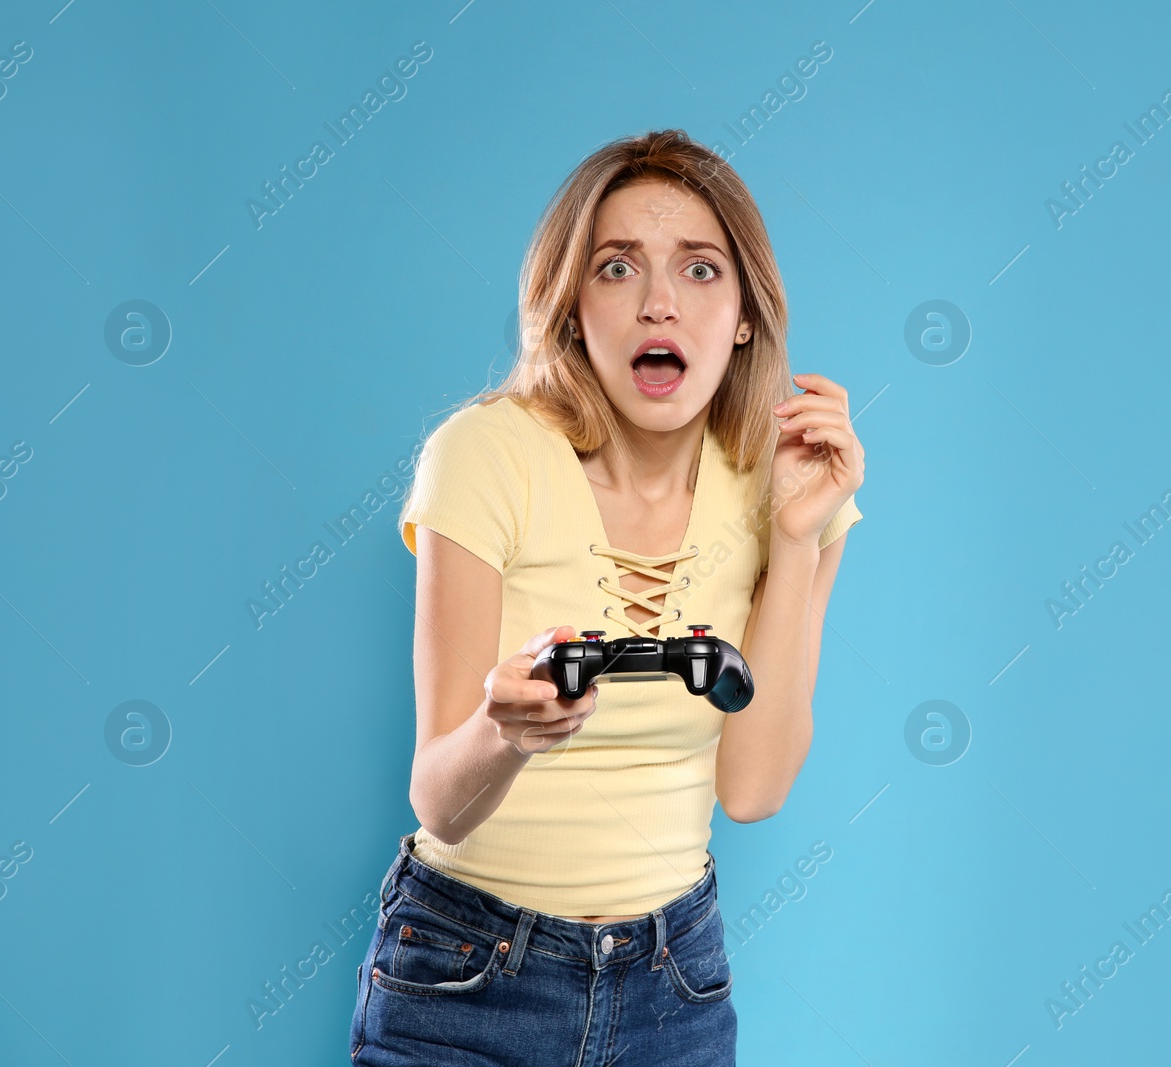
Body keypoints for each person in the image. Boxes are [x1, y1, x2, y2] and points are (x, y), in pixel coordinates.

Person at [349, 128, 865, 1066]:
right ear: (573, 305)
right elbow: (440, 802)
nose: (660, 301)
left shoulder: (788, 488)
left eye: (701, 270)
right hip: (465, 973)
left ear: (746, 313)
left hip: (674, 982)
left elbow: (753, 790)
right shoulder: (483, 455)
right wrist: (505, 729)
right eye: (618, 267)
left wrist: (793, 541)